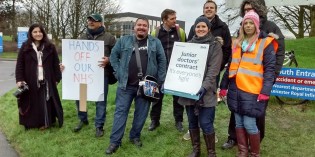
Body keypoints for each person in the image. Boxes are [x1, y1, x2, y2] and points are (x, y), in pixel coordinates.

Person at [220, 0, 285, 149]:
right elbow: (235, 58)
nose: (247, 10)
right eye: (245, 9)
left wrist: (271, 79)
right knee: (236, 113)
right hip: (239, 83)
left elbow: (278, 53)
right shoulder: (242, 29)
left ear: (259, 9)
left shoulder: (271, 27)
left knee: (257, 115)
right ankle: (234, 138)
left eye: (251, 8)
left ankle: (255, 143)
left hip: (257, 83)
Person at [105, 17, 166, 154]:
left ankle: (135, 136)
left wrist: (160, 81)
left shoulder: (155, 42)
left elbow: (162, 62)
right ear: (134, 27)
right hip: (125, 85)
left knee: (141, 114)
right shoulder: (123, 41)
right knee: (120, 113)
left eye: (144, 25)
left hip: (147, 86)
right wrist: (118, 72)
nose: (141, 27)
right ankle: (115, 142)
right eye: (139, 25)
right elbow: (113, 56)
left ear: (148, 28)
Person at [184, 0, 232, 141]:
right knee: (192, 98)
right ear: (203, 9)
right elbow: (188, 47)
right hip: (193, 72)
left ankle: (209, 128)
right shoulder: (195, 25)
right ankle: (192, 128)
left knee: (209, 100)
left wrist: (218, 66)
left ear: (215, 10)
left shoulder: (223, 27)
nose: (209, 9)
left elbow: (228, 48)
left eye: (211, 8)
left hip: (212, 71)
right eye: (206, 8)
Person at [178, 16, 223, 157]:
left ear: (208, 29)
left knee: (205, 122)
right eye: (198, 26)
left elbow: (213, 71)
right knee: (192, 121)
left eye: (203, 26)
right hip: (189, 91)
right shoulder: (188, 45)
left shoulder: (215, 46)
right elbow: (181, 66)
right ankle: (196, 150)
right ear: (194, 28)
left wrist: (203, 88)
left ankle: (211, 153)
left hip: (207, 91)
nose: (200, 29)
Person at [72, 13, 116, 137]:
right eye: (89, 20)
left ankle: (99, 125)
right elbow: (74, 54)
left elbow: (117, 54)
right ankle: (82, 119)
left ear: (100, 23)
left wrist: (109, 60)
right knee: (81, 97)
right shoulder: (81, 38)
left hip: (101, 75)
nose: (90, 22)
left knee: (100, 100)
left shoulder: (109, 38)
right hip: (84, 74)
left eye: (94, 20)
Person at [15, 23, 63, 130]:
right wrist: (19, 79)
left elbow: (56, 63)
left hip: (46, 80)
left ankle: (45, 122)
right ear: (31, 34)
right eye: (35, 32)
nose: (38, 34)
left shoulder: (50, 47)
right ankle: (31, 123)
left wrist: (57, 78)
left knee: (45, 102)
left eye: (40, 31)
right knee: (31, 101)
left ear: (43, 33)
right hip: (30, 79)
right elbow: (20, 65)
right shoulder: (25, 47)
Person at [149, 9, 187, 132]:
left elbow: (186, 48)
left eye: (175, 18)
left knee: (178, 98)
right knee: (157, 96)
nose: (175, 20)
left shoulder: (180, 32)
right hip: (160, 71)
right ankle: (155, 121)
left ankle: (179, 121)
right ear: (164, 20)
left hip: (176, 71)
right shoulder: (156, 32)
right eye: (172, 18)